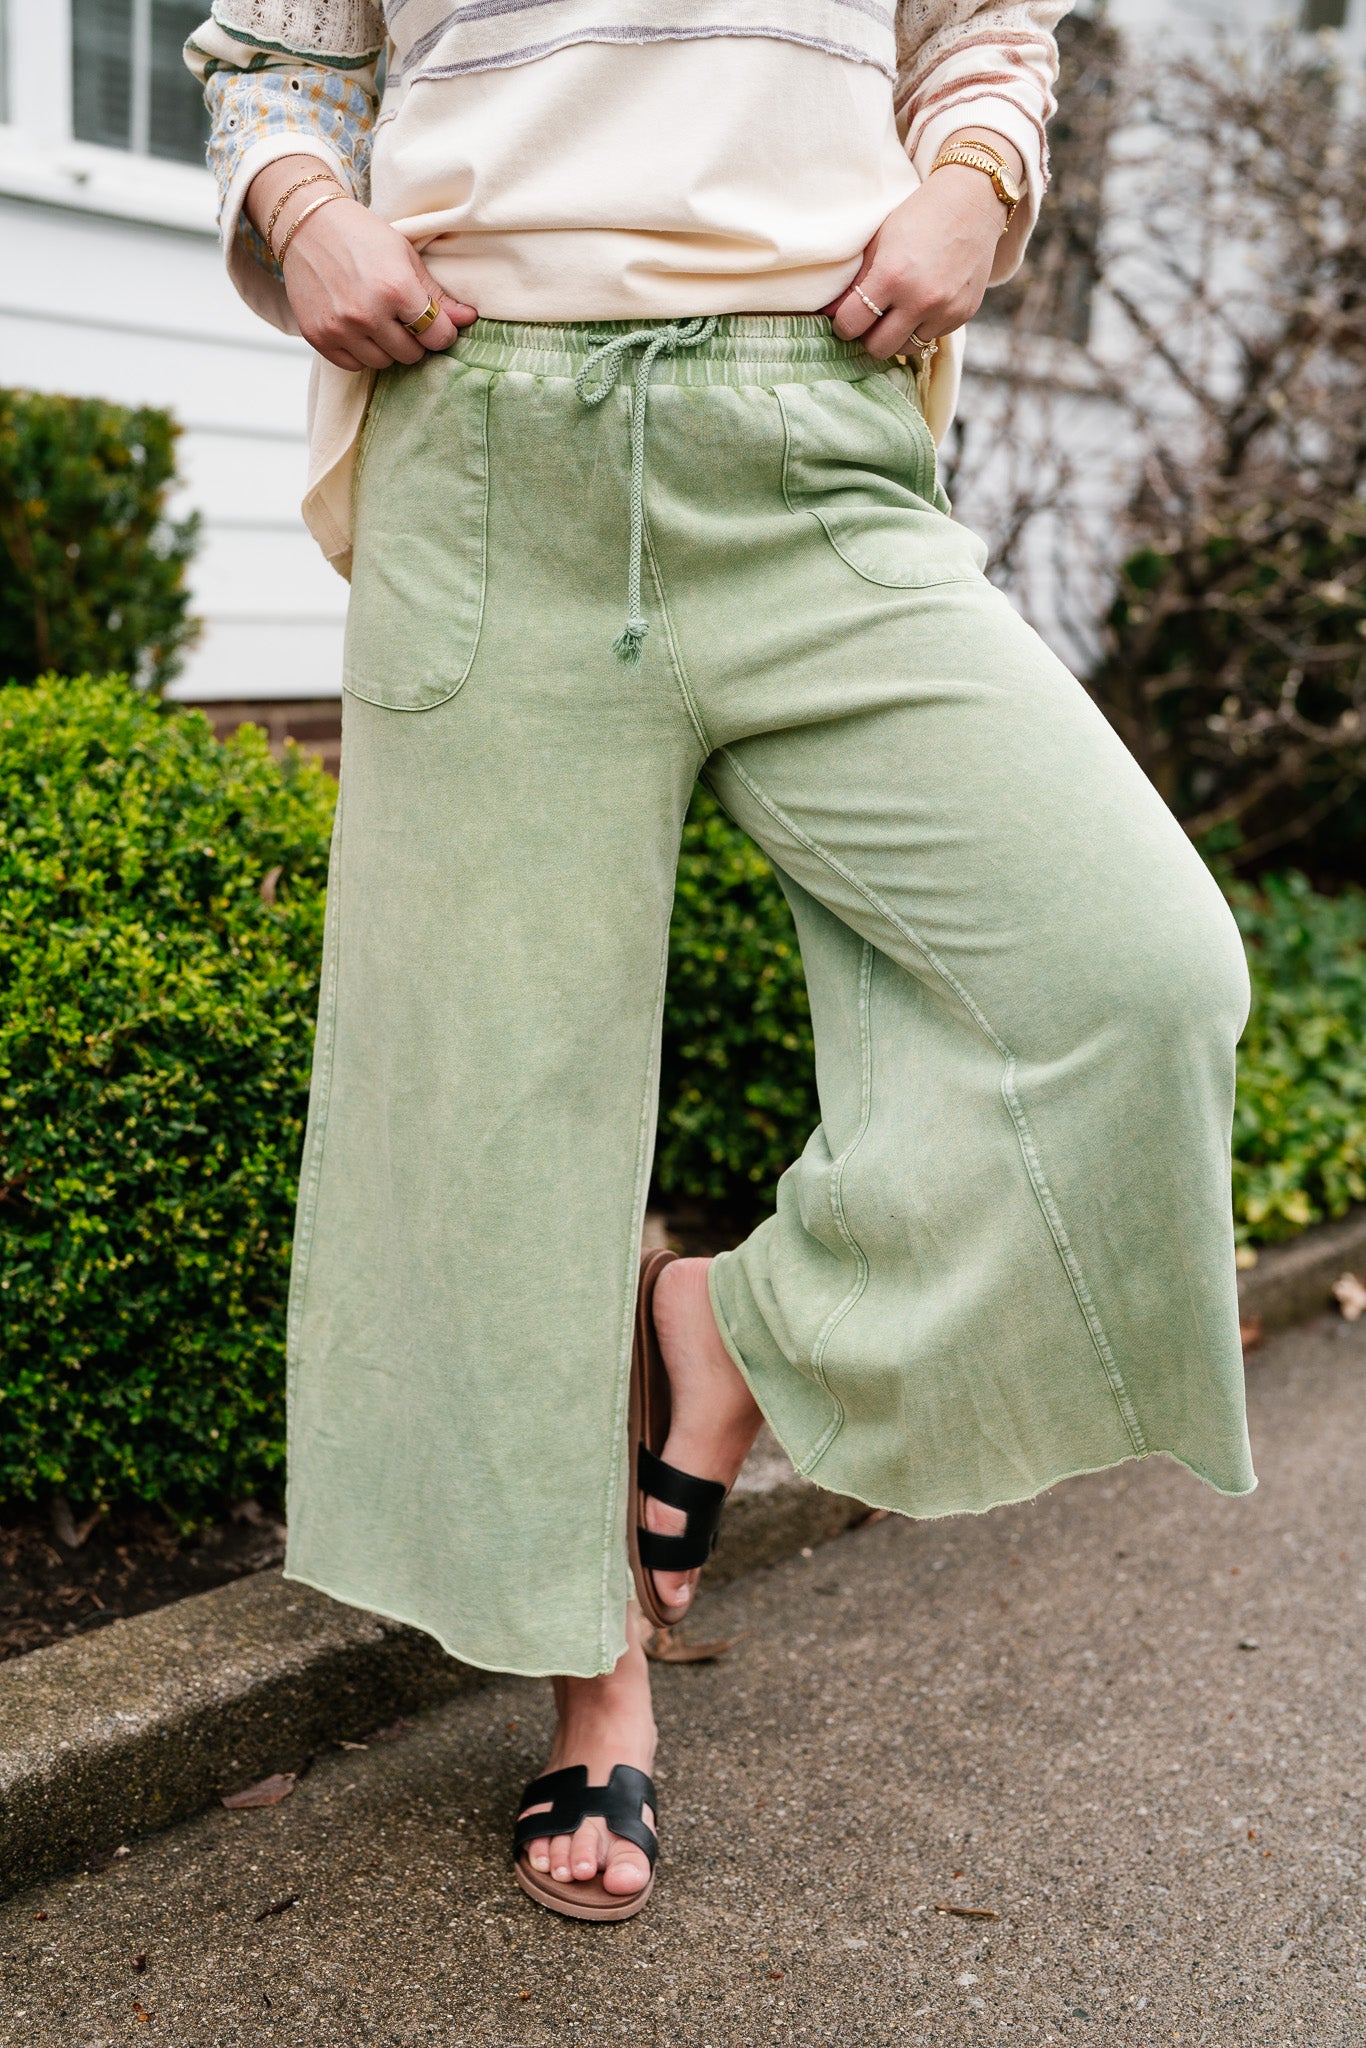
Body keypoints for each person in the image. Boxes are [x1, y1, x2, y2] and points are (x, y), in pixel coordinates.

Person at [187, 0, 1255, 1924]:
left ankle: (738, 1333)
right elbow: (276, 52)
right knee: (500, 1100)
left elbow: (983, 31)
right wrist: (303, 209)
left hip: (812, 417)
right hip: (485, 418)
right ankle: (592, 1672)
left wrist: (974, 181)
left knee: (1134, 971)